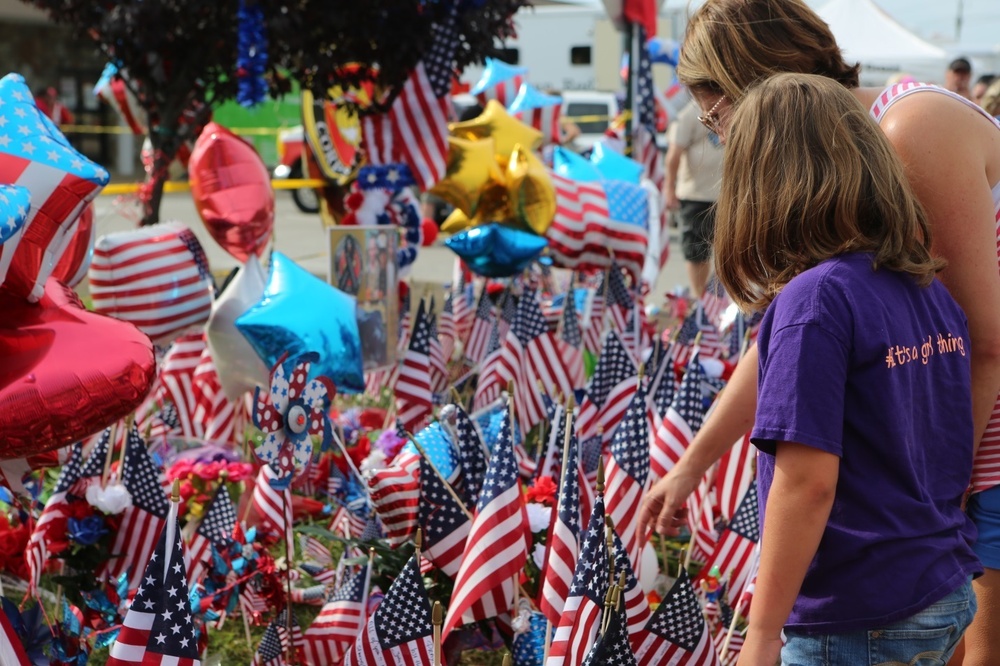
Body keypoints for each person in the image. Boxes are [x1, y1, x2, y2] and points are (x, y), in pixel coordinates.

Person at [636, 1, 1000, 663]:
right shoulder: (863, 252)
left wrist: (931, 508)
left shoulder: (911, 128)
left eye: (722, 119)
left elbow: (987, 344)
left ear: (765, 100)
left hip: (954, 495)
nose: (721, 141)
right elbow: (785, 341)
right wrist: (693, 465)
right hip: (931, 540)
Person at [713, 70, 980, 666]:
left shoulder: (814, 301)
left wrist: (760, 634)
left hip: (857, 613)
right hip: (938, 584)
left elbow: (807, 484)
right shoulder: (926, 287)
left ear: (762, 184)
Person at [663, 99, 724, 297]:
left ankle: (719, 299)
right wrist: (669, 188)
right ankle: (701, 299)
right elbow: (674, 153)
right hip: (695, 194)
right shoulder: (689, 113)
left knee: (728, 252)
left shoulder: (729, 107)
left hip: (725, 195)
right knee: (697, 252)